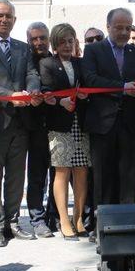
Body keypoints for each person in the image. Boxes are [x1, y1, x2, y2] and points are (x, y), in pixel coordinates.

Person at [0, 0, 43, 247]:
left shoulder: (22, 48)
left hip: (21, 121)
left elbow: (31, 74)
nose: (5, 20)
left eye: (9, 17)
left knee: (16, 177)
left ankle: (13, 222)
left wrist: (32, 91)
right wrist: (8, 96)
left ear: (15, 20)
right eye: (0, 16)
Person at [81, 8, 135, 224]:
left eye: (127, 27)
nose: (123, 32)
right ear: (108, 27)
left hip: (131, 123)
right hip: (103, 123)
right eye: (118, 27)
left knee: (130, 177)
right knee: (103, 176)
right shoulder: (94, 50)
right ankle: (102, 225)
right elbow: (90, 79)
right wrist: (123, 87)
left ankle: (129, 223)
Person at [40, 23, 91, 240]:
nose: (67, 45)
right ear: (55, 44)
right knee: (62, 171)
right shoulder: (47, 63)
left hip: (81, 124)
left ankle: (78, 218)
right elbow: (46, 89)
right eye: (62, 41)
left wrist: (86, 96)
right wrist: (60, 101)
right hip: (59, 125)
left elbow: (90, 85)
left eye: (70, 40)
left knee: (81, 171)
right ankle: (63, 220)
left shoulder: (81, 63)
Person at [25, 22, 55, 238]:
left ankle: (54, 215)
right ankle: (37, 219)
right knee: (36, 176)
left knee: (57, 175)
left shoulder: (57, 61)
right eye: (34, 38)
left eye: (42, 37)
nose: (39, 42)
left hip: (56, 126)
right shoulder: (25, 61)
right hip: (33, 127)